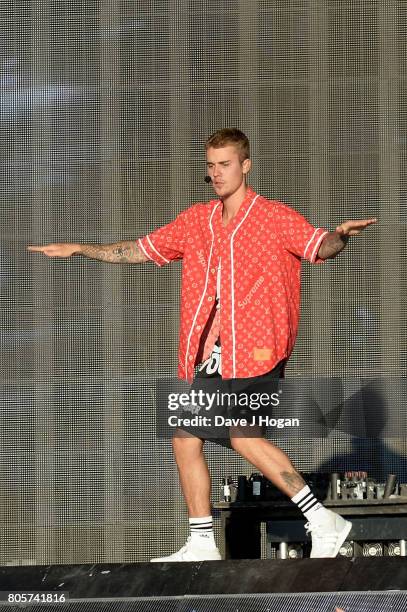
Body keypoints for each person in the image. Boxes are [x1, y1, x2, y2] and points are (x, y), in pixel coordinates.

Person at [28, 128, 377, 561]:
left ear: (245, 165)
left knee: (245, 437)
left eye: (225, 164)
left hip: (257, 348)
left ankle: (325, 520)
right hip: (210, 353)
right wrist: (82, 248)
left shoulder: (272, 217)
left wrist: (339, 235)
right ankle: (201, 540)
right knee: (184, 436)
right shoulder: (198, 220)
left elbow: (319, 246)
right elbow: (140, 249)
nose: (216, 173)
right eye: (210, 165)